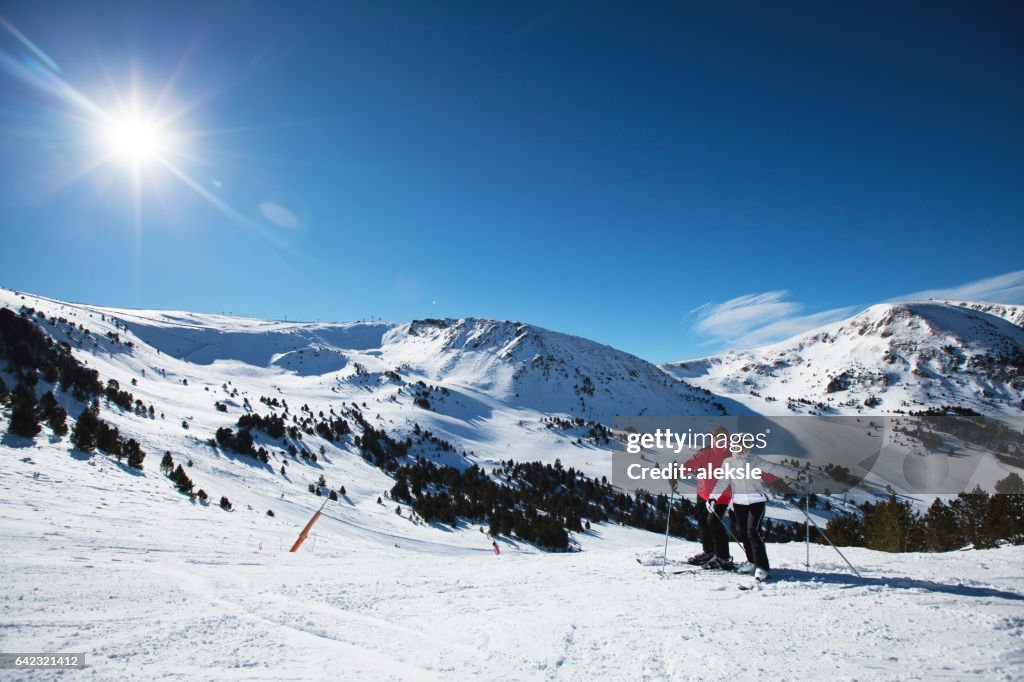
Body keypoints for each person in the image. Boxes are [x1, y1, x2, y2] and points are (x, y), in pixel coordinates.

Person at [710, 446, 801, 583]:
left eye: (745, 446)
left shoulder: (754, 460)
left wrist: (797, 474)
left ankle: (762, 567)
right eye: (738, 446)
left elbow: (773, 468)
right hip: (739, 503)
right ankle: (752, 562)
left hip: (756, 501)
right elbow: (723, 481)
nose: (742, 449)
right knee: (744, 534)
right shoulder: (728, 462)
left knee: (753, 532)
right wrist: (713, 497)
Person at [681, 426, 734, 570]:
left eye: (722, 437)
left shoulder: (731, 455)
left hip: (722, 496)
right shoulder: (706, 453)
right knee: (703, 522)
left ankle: (723, 557)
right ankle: (709, 551)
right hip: (703, 493)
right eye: (716, 437)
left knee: (713, 522)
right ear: (712, 439)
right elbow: (691, 464)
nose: (719, 440)